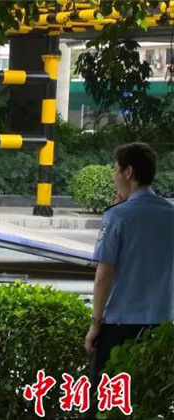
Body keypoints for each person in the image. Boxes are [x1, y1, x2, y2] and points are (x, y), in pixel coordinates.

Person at [85, 142, 174, 417]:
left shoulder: (118, 216)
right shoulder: (170, 213)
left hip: (119, 325)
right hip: (161, 324)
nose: (114, 175)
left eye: (116, 169)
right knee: (147, 404)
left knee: (103, 403)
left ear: (128, 172)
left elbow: (104, 275)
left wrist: (95, 324)